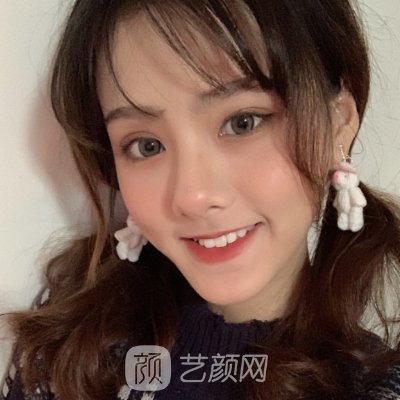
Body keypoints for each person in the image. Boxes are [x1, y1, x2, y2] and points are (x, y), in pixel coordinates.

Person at [1, 0, 400, 399]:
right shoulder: (69, 346)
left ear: (339, 122)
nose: (192, 197)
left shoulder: (374, 387)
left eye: (243, 122)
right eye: (146, 145)